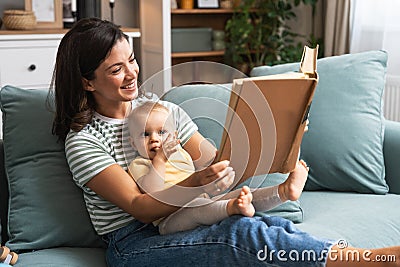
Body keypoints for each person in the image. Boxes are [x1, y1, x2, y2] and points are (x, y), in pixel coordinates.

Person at [51, 17, 400, 267]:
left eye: (132, 60)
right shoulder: (84, 141)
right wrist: (194, 182)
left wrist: (284, 135)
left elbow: (218, 163)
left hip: (192, 212)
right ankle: (373, 261)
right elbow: (140, 207)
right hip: (134, 242)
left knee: (266, 225)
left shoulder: (162, 110)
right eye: (116, 70)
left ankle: (365, 259)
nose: (132, 74)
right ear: (87, 83)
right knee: (242, 236)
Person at [127, 101, 301, 235]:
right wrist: (160, 159)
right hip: (169, 220)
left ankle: (283, 192)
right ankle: (232, 208)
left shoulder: (181, 154)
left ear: (174, 136)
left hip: (204, 200)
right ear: (133, 143)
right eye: (145, 134)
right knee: (199, 207)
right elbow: (152, 192)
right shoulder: (139, 164)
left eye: (162, 132)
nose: (154, 139)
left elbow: (209, 167)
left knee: (242, 193)